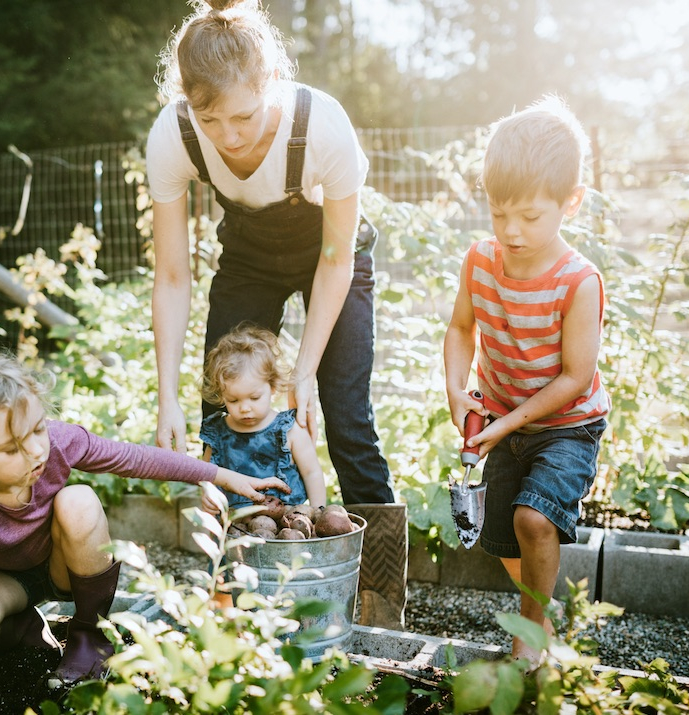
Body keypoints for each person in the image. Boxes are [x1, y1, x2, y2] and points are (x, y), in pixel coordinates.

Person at [147, 0, 407, 628]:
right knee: (222, 411)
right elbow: (173, 274)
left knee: (344, 417)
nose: (229, 135)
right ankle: (233, 593)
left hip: (332, 256)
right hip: (250, 259)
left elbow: (335, 259)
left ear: (271, 85)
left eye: (242, 115)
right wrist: (167, 397)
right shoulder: (173, 136)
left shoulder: (322, 125)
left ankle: (381, 600)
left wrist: (305, 374)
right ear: (187, 104)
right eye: (210, 118)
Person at [0, 347, 288, 715]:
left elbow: (137, 459)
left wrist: (224, 476)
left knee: (78, 500)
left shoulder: (57, 443)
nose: (36, 450)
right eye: (11, 449)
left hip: (66, 562)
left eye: (37, 430)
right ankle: (24, 628)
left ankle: (89, 636)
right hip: (5, 581)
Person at [442, 95, 611, 666]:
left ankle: (530, 641)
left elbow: (573, 378)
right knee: (502, 539)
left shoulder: (578, 281)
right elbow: (462, 330)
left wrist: (507, 422)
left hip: (567, 424)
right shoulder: (481, 261)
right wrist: (454, 386)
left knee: (533, 518)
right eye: (498, 213)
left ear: (571, 202)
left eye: (530, 217)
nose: (510, 231)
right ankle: (545, 616)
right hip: (504, 418)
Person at [199, 323, 327, 514]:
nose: (245, 408)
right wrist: (206, 493)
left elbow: (312, 472)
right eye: (233, 400)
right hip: (235, 527)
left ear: (272, 386)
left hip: (286, 524)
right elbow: (208, 474)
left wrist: (318, 513)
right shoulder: (218, 432)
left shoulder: (289, 430)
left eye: (254, 398)